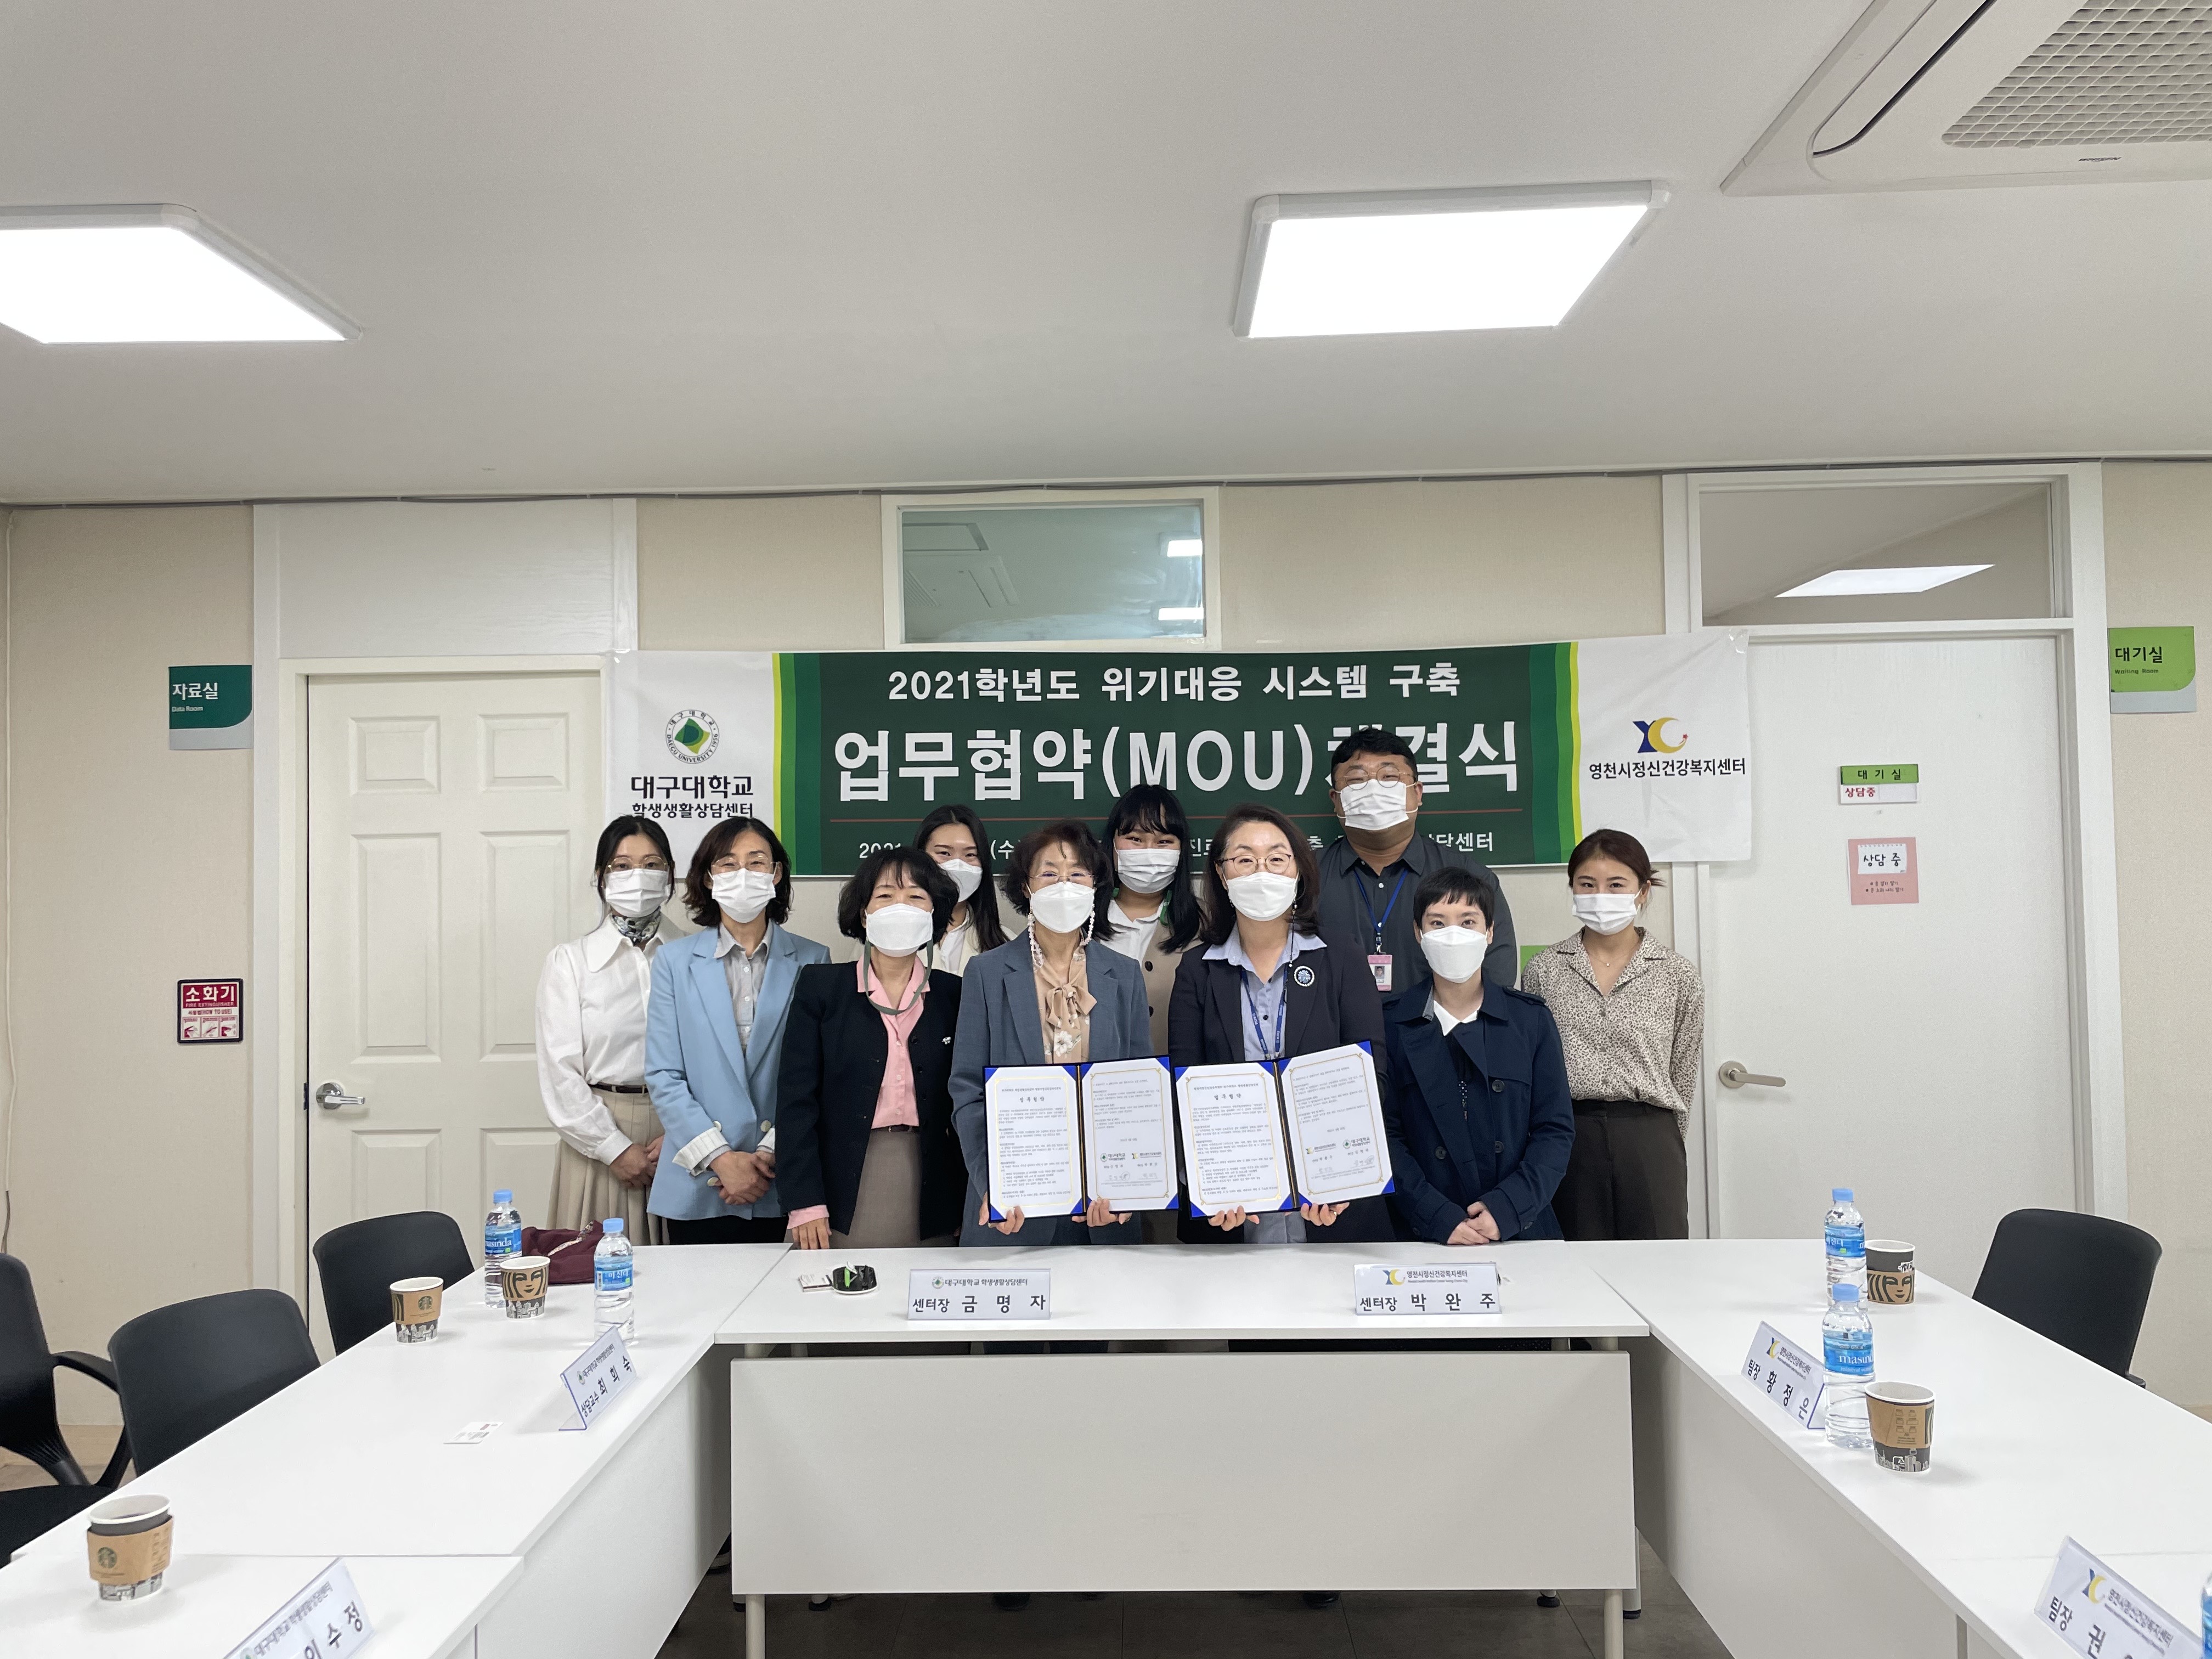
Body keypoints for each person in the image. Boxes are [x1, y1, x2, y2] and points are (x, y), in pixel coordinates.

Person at [1168, 803, 1395, 1246]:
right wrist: (1209, 1185)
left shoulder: (1342, 956)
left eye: (1276, 858)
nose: (1261, 872)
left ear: (1298, 872)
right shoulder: (1197, 970)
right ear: (1222, 875)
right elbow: (1185, 1092)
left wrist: (1342, 1176)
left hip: (1334, 1208)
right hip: (1234, 1213)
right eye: (1244, 860)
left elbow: (1372, 1078)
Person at [948, 821, 1148, 1247]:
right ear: (1026, 886)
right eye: (1050, 873)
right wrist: (991, 1185)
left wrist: (1131, 1185)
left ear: (1095, 885)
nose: (1064, 885)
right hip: (1015, 1205)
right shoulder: (987, 973)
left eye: (1077, 874)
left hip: (1104, 1204)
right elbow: (967, 1090)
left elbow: (1140, 1092)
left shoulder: (1124, 975)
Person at [645, 815, 830, 1243]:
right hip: (698, 1178)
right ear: (709, 878)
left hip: (780, 1176)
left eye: (756, 862)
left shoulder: (813, 959)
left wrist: (767, 1154)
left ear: (776, 874)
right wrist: (723, 1160)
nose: (743, 874)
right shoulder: (674, 962)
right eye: (728, 864)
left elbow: (818, 1074)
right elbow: (664, 1075)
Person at [1519, 828, 1704, 1241]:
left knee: (1658, 1261)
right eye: (1588, 884)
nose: (1601, 895)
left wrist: (1665, 1142)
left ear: (1642, 891)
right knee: (1574, 1262)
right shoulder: (1544, 970)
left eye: (1616, 884)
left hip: (1650, 1137)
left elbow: (1683, 1071)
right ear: (1572, 889)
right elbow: (1532, 1069)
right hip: (1568, 1136)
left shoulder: (1677, 974)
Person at [777, 848, 967, 1249]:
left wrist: (969, 1199)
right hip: (841, 1180)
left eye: (916, 897)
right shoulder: (821, 988)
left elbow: (968, 1103)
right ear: (864, 914)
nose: (901, 907)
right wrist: (805, 1200)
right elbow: (796, 1102)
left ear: (934, 914)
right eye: (885, 896)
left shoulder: (955, 994)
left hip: (933, 1180)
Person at [1381, 867, 1575, 1245]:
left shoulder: (1529, 1020)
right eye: (1438, 923)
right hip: (1423, 1234)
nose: (1453, 934)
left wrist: (1507, 1209)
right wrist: (1436, 1217)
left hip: (1520, 1228)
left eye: (1468, 922)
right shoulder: (1391, 1024)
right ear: (1419, 934)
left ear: (1490, 933)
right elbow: (1385, 1138)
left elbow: (1554, 1130)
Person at [535, 816, 680, 1239]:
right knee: (600, 1268)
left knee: (689, 1268)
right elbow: (560, 1074)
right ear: (601, 877)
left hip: (681, 1133)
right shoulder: (571, 962)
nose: (639, 876)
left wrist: (686, 1134)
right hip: (599, 1137)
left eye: (652, 864)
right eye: (623, 865)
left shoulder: (695, 954)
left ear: (670, 875)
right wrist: (614, 1149)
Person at [1314, 726, 1517, 997]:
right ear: (1336, 799)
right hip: (1334, 1026)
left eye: (1389, 777)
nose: (1373, 790)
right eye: (1356, 780)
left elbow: (1497, 981)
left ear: (1418, 793)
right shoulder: (1304, 878)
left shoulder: (1471, 877)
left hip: (1438, 1025)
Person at [1099, 783, 1204, 1056]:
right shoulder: (1078, 922)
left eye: (1164, 842)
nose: (1149, 851)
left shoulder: (1206, 925)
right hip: (1094, 1078)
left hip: (1177, 1077)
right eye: (1135, 839)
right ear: (1112, 844)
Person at [913, 803, 1007, 976]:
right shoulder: (891, 934)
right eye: (944, 853)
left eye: (970, 855)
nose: (957, 865)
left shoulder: (1006, 944)